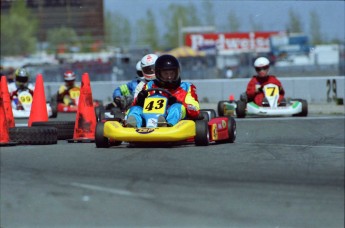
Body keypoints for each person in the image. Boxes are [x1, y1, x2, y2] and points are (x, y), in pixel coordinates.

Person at [126, 54, 200, 128]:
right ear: (158, 73)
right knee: (135, 109)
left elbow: (195, 109)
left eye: (172, 73)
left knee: (177, 107)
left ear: (177, 72)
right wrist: (140, 100)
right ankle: (133, 125)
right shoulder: (150, 85)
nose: (169, 76)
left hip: (173, 117)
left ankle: (168, 124)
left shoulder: (187, 87)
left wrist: (178, 102)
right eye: (165, 74)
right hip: (148, 117)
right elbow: (134, 105)